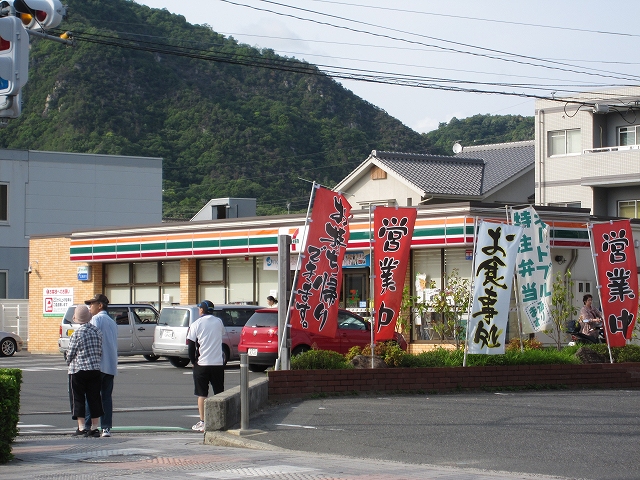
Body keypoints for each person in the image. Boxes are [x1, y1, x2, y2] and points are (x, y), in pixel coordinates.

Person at [187, 300, 225, 432]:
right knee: (219, 392)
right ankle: (222, 420)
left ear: (202, 310)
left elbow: (191, 346)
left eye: (199, 309)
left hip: (202, 363)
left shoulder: (196, 324)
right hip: (218, 363)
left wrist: (193, 361)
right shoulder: (219, 322)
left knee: (202, 393)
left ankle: (203, 421)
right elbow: (221, 336)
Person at [66, 305, 103, 437]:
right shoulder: (97, 331)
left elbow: (70, 354)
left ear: (76, 319)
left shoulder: (77, 334)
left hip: (78, 369)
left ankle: (81, 428)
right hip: (95, 369)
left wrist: (67, 361)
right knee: (94, 398)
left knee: (78, 398)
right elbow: (100, 350)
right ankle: (94, 428)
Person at [84, 293, 118, 438]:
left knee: (91, 396)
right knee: (106, 397)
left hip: (97, 364)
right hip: (111, 365)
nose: (89, 307)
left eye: (92, 304)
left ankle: (88, 426)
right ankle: (106, 428)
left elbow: (94, 341)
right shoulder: (112, 322)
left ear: (100, 305)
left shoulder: (96, 320)